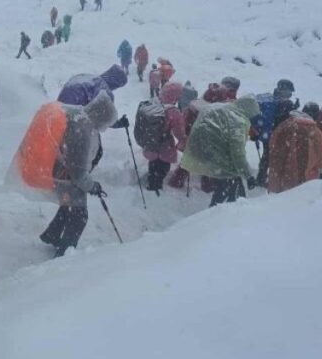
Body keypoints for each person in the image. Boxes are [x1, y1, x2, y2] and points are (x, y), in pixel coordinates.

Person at [10, 92, 120, 257]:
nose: (103, 128)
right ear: (100, 116)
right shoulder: (83, 130)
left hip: (57, 168)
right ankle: (64, 254)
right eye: (105, 123)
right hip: (64, 176)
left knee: (67, 207)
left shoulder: (77, 114)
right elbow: (79, 174)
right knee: (79, 216)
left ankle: (52, 236)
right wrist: (93, 186)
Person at [181, 97, 260, 207]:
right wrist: (248, 176)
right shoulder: (237, 120)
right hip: (216, 156)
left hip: (203, 150)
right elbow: (237, 154)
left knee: (229, 186)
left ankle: (231, 210)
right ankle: (218, 215)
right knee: (227, 186)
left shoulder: (223, 108)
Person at [266, 111, 322, 194]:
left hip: (284, 169)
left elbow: (273, 143)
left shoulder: (284, 126)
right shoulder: (315, 131)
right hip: (308, 173)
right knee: (304, 194)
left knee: (285, 193)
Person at [141, 82, 188, 193]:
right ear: (175, 96)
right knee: (162, 168)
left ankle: (151, 181)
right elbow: (179, 133)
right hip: (164, 148)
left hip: (150, 144)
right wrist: (184, 142)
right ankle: (155, 189)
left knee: (153, 166)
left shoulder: (152, 102)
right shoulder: (173, 111)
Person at [57, 65, 128, 106]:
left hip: (58, 106)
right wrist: (117, 123)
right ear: (116, 84)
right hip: (73, 113)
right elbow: (104, 118)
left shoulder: (88, 77)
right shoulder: (106, 93)